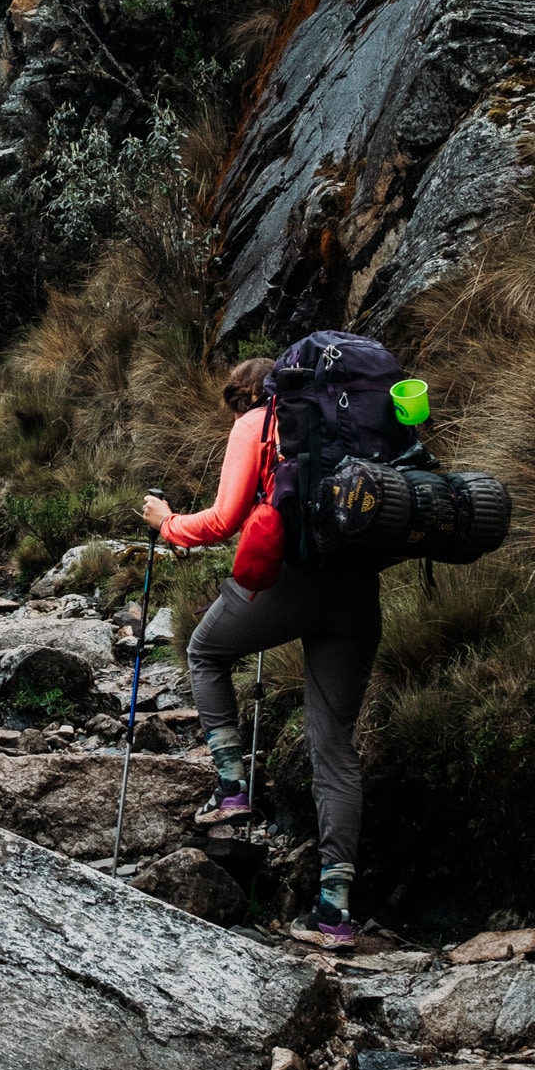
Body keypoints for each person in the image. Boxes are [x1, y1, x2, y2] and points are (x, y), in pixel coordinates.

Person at [142, 357, 381, 953]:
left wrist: (167, 523)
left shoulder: (257, 422)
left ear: (247, 395)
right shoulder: (351, 422)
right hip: (356, 592)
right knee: (334, 748)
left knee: (203, 651)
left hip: (287, 583)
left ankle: (231, 786)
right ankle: (334, 912)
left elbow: (223, 520)